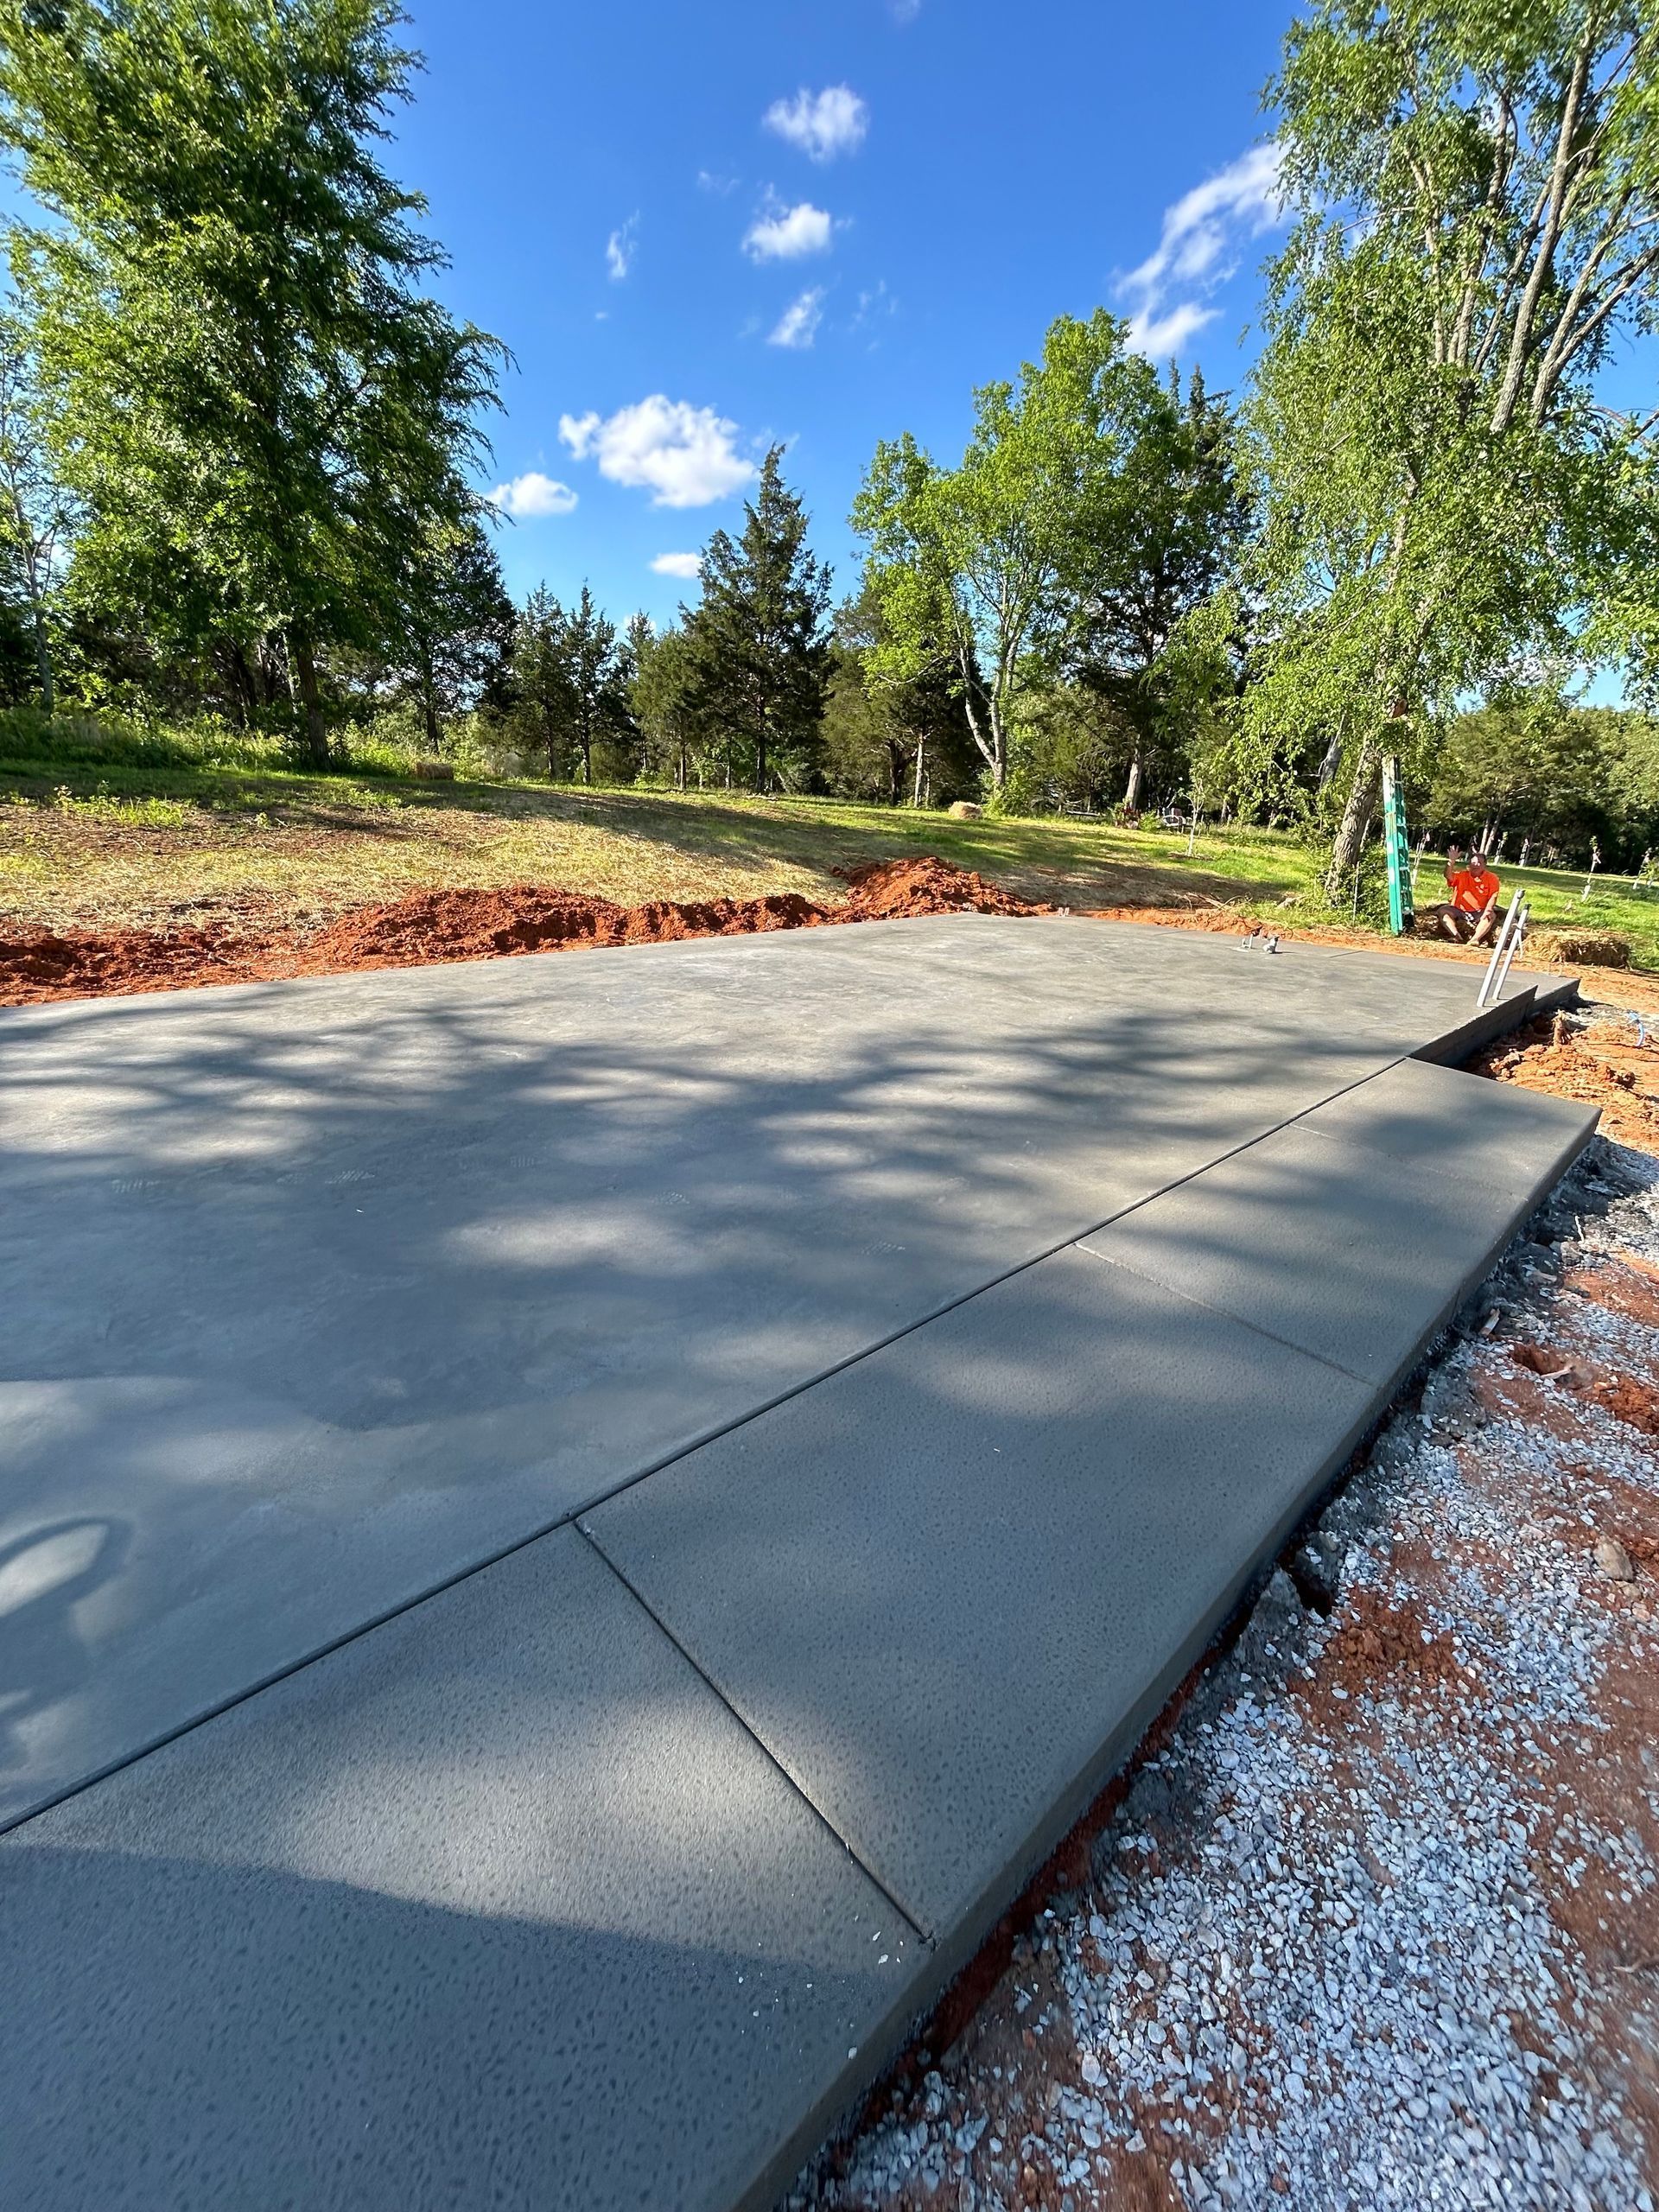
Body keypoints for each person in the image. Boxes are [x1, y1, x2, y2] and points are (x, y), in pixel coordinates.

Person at [1420, 845, 1504, 945]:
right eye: (1473, 863)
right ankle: (1456, 936)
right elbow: (1448, 876)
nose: (1476, 865)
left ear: (1484, 865)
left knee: (1490, 916)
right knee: (1443, 911)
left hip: (1479, 911)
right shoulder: (1462, 875)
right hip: (1458, 910)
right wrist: (1451, 861)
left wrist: (1488, 910)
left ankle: (1475, 939)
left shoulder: (1492, 878)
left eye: (1479, 863)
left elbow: (1493, 896)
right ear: (1469, 864)